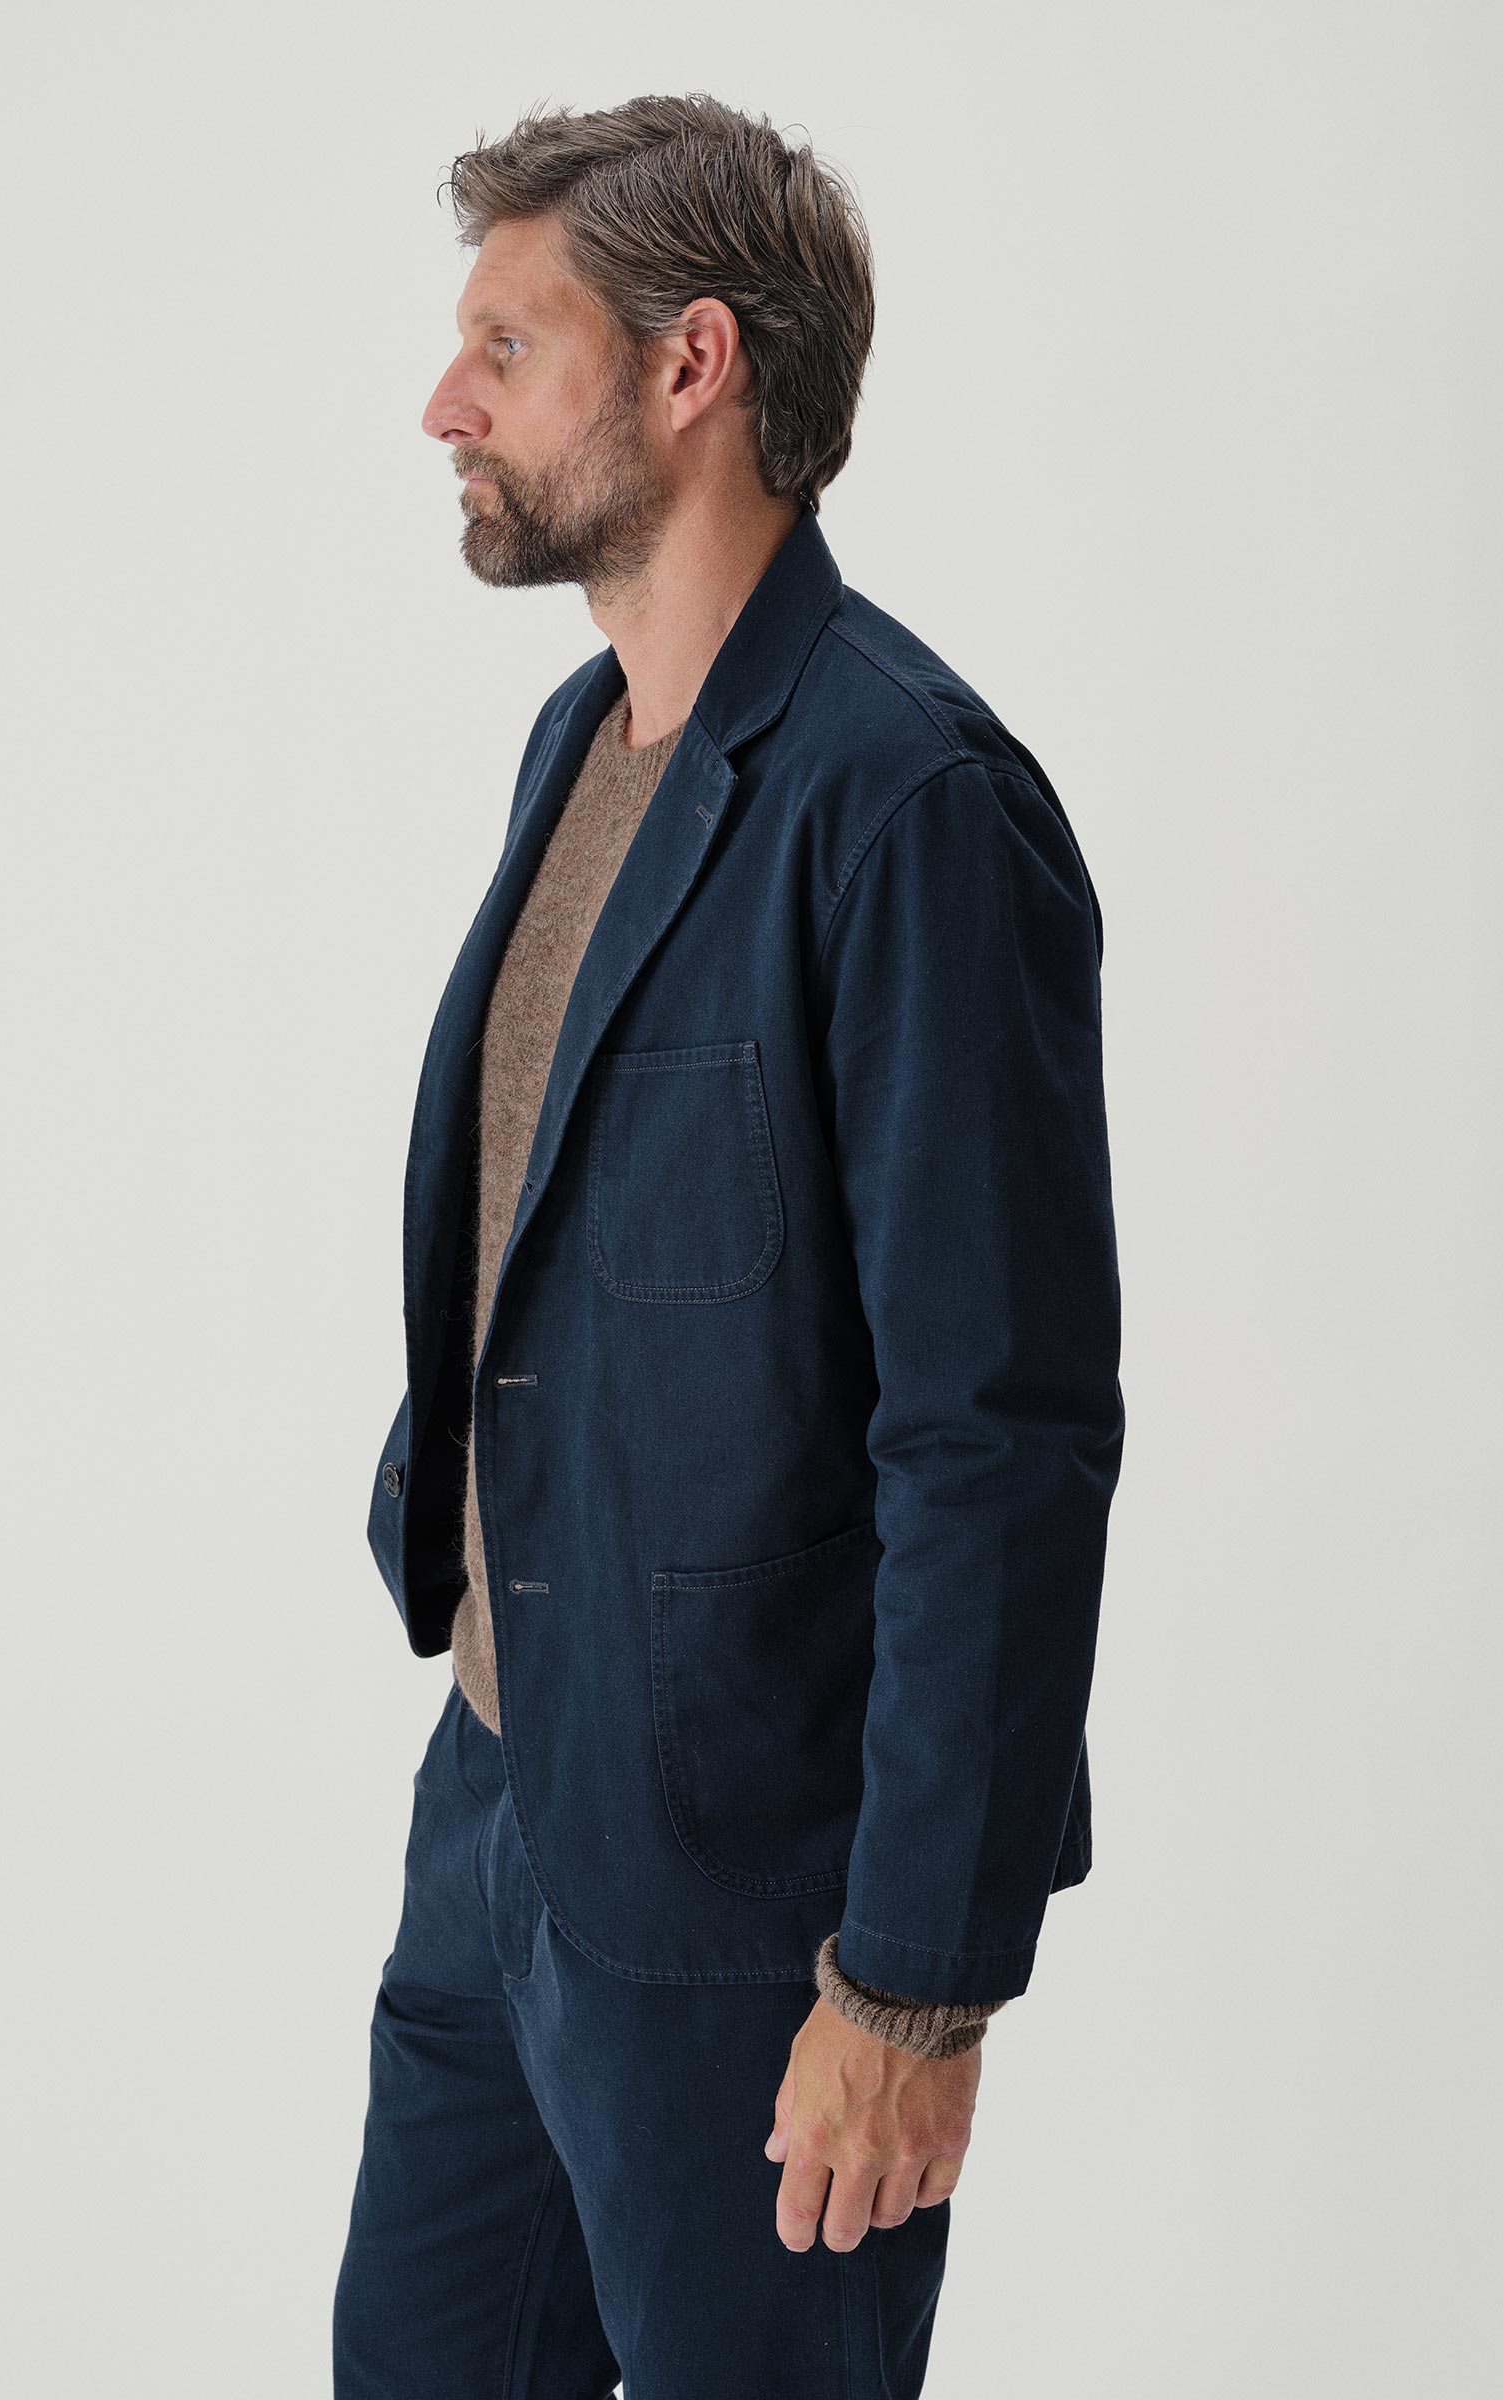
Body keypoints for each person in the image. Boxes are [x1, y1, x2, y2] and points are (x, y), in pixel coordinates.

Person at [333, 93, 1124, 2399]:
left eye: (507, 343)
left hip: (753, 1903)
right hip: (502, 1803)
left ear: (693, 366)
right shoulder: (581, 746)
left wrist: (916, 1981)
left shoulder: (909, 802)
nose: (446, 403)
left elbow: (999, 1430)